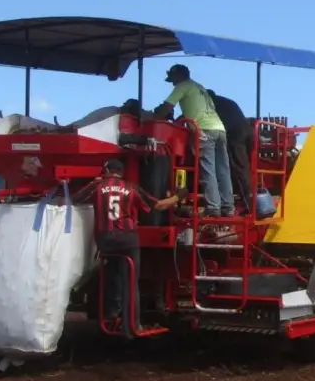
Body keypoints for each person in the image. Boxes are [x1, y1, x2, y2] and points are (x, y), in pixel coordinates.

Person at [71, 159, 190, 336]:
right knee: (130, 281)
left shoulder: (97, 186)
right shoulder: (131, 188)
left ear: (107, 170)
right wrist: (180, 195)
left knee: (111, 275)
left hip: (105, 240)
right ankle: (132, 325)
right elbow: (158, 205)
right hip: (127, 240)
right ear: (121, 172)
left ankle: (110, 316)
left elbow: (74, 200)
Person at [152, 64, 234, 217]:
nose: (173, 83)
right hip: (219, 128)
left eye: (173, 80)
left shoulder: (182, 86)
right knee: (222, 169)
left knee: (208, 170)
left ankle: (213, 208)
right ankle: (228, 207)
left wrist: (152, 118)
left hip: (204, 130)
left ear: (178, 76)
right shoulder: (199, 87)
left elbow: (166, 107)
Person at [207, 89, 254, 215]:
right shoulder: (226, 101)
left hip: (235, 134)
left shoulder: (214, 105)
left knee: (237, 168)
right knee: (243, 167)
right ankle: (246, 201)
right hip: (246, 131)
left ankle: (248, 204)